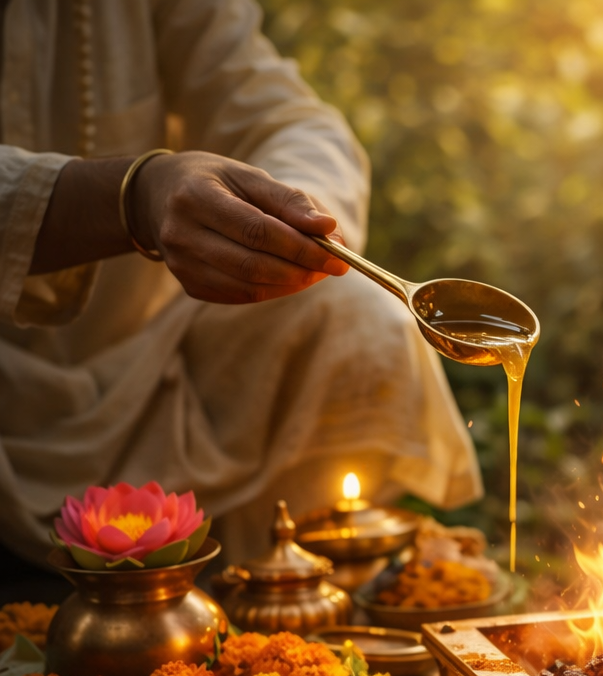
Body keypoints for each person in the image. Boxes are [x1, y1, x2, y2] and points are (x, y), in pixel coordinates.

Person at [0, 0, 482, 567]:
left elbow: (286, 115)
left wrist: (300, 217)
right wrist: (131, 195)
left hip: (146, 369)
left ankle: (292, 602)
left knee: (355, 312)